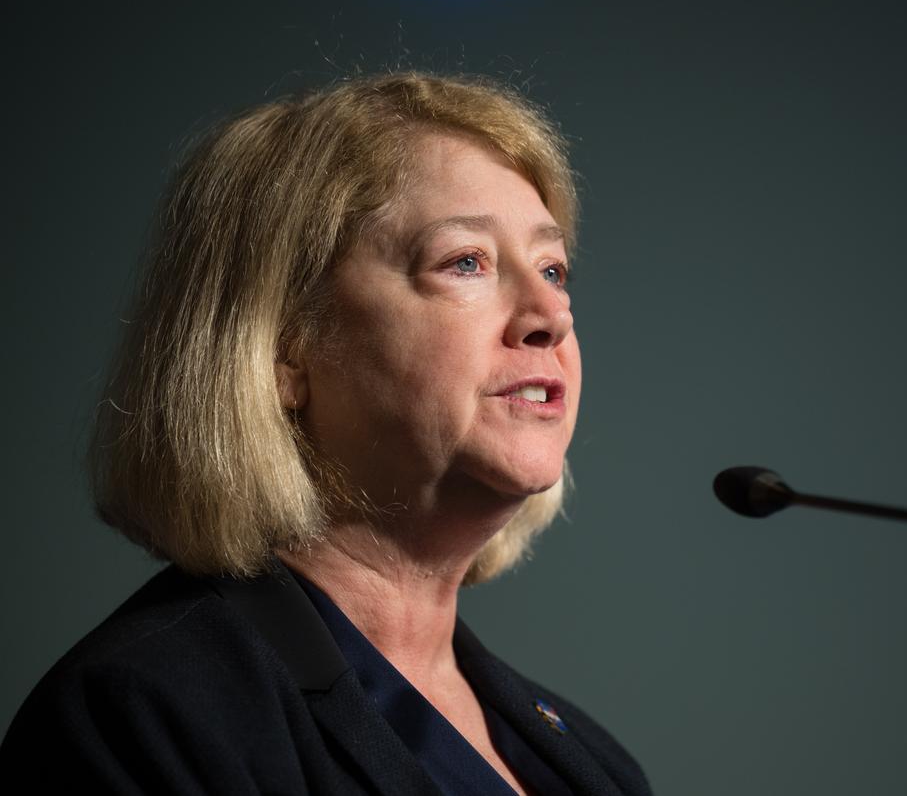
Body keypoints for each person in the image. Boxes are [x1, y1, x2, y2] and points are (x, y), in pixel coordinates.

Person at [0, 72, 651, 796]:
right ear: (284, 345)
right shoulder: (143, 719)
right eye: (466, 261)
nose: (551, 316)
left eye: (553, 269)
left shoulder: (598, 764)